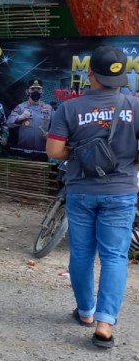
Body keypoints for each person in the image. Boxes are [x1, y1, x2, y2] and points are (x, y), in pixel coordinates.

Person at [46, 46, 139, 349]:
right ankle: (105, 324)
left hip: (82, 191)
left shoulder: (69, 109)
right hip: (121, 192)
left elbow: (55, 151)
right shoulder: (135, 106)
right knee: (114, 256)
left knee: (83, 254)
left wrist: (80, 154)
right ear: (121, 75)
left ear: (90, 74)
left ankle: (85, 312)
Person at [7, 79, 53, 152]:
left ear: (42, 92)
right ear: (27, 91)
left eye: (38, 89)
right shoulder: (20, 107)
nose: (36, 91)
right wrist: (20, 117)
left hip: (43, 151)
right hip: (23, 151)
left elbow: (58, 125)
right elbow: (9, 123)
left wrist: (51, 134)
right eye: (32, 89)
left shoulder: (49, 109)